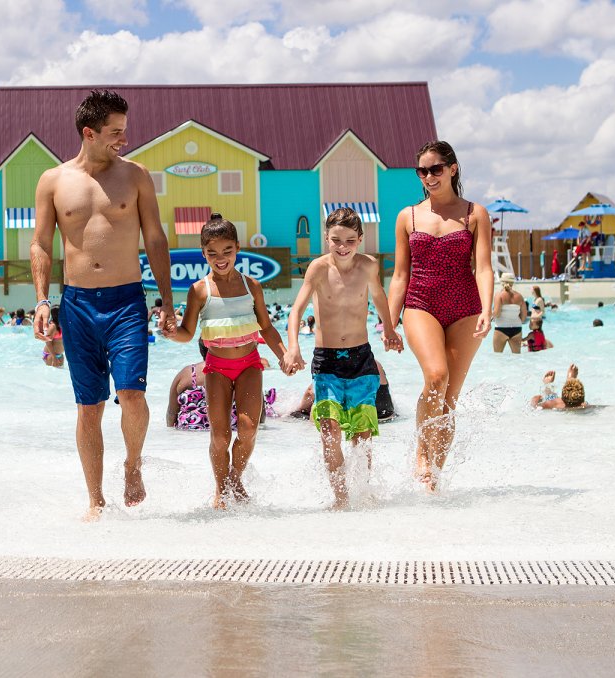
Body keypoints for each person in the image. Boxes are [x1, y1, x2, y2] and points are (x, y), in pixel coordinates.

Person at [31, 89, 176, 521]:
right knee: (89, 406)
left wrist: (167, 300)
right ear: (89, 133)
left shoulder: (136, 176)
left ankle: (133, 464)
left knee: (132, 393)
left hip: (127, 300)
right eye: (115, 133)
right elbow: (40, 244)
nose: (124, 140)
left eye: (125, 131)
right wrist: (41, 301)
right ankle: (95, 499)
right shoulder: (53, 181)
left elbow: (155, 238)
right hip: (76, 305)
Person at [386, 140, 492, 493]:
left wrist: (487, 309)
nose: (428, 176)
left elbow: (484, 268)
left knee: (449, 398)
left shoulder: (475, 213)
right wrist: (389, 323)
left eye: (435, 169)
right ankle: (421, 452)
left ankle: (434, 476)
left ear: (452, 169)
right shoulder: (408, 216)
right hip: (420, 304)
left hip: (465, 307)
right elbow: (400, 275)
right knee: (436, 376)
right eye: (422, 171)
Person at [285, 207, 402, 509]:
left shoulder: (369, 266)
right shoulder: (318, 269)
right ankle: (341, 499)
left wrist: (389, 330)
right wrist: (293, 347)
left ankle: (362, 494)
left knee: (362, 435)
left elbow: (379, 298)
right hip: (327, 362)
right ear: (327, 238)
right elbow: (296, 310)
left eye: (350, 240)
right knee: (329, 430)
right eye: (336, 239)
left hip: (362, 359)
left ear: (360, 239)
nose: (342, 246)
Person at [171, 214, 290, 509]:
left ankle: (235, 479)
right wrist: (171, 332)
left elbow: (266, 327)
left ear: (237, 248)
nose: (220, 258)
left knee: (249, 429)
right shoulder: (200, 290)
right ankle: (220, 489)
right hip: (217, 369)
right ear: (203, 253)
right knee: (220, 436)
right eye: (212, 253)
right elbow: (187, 333)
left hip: (249, 363)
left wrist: (284, 355)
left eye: (227, 251)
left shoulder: (252, 286)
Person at [491, 273, 526, 353]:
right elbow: (523, 318)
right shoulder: (519, 296)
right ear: (512, 283)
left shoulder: (499, 295)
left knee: (497, 357)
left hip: (501, 328)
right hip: (516, 328)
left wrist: (490, 315)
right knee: (517, 358)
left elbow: (497, 313)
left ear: (502, 282)